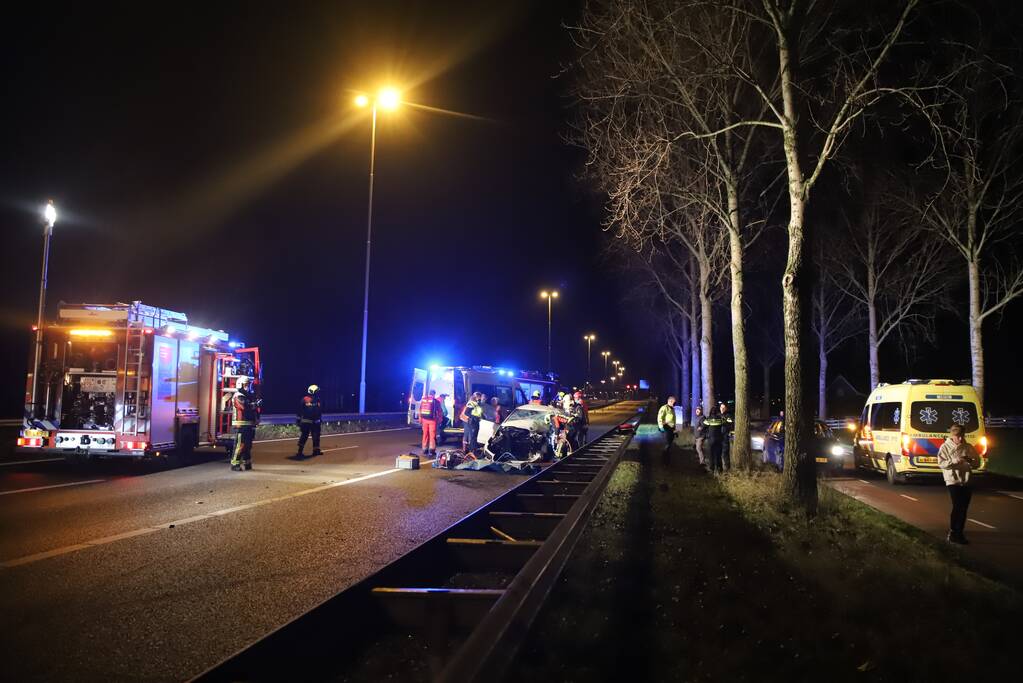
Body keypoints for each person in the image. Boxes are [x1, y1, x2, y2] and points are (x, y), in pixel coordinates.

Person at [937, 424, 981, 544]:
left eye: (962, 436)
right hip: (952, 481)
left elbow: (977, 463)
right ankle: (953, 532)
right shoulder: (945, 447)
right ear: (953, 435)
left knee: (964, 508)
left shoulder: (968, 447)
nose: (961, 439)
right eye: (958, 436)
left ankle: (960, 533)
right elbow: (941, 463)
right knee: (958, 506)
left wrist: (970, 461)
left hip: (966, 481)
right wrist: (956, 460)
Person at [230, 375, 259, 471]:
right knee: (240, 445)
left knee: (247, 445)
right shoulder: (238, 396)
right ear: (240, 385)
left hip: (248, 425)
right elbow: (245, 407)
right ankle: (235, 464)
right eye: (246, 385)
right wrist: (255, 404)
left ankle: (247, 463)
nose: (247, 387)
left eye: (248, 384)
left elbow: (252, 409)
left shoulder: (247, 396)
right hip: (241, 425)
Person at [295, 384, 323, 458]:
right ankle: (299, 452)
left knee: (316, 437)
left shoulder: (318, 399)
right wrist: (298, 420)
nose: (318, 393)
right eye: (317, 391)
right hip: (307, 421)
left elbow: (319, 410)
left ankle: (316, 451)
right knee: (304, 436)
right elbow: (299, 410)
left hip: (315, 422)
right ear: (313, 391)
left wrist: (320, 419)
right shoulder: (305, 399)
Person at [418, 389, 442, 456]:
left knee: (425, 434)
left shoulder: (424, 400)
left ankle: (424, 449)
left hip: (424, 420)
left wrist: (420, 418)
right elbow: (439, 411)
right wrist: (439, 419)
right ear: (434, 394)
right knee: (432, 435)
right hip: (432, 421)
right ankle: (432, 450)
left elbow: (420, 410)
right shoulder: (436, 401)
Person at [703, 405, 725, 473]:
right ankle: (719, 468)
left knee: (711, 454)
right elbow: (724, 423)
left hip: (711, 439)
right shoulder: (720, 419)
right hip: (719, 439)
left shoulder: (708, 419)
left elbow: (704, 426)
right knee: (718, 454)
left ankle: (711, 468)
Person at [719, 402, 733, 471]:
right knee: (718, 453)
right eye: (721, 407)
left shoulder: (728, 416)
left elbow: (730, 423)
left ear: (726, 409)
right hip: (718, 437)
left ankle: (727, 469)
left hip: (725, 437)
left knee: (725, 453)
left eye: (724, 408)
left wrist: (724, 421)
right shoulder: (718, 416)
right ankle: (720, 468)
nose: (722, 409)